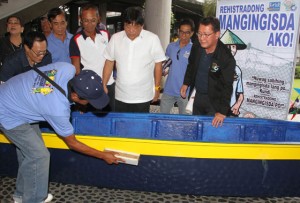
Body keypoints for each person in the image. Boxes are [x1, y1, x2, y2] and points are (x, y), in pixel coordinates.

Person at [0, 62, 123, 203]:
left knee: (29, 154)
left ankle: (21, 196)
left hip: (16, 95)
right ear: (76, 96)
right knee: (39, 156)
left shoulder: (67, 68)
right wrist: (103, 155)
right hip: (6, 112)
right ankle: (33, 199)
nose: (90, 104)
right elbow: (73, 143)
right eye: (89, 101)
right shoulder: (57, 109)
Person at [102, 7, 166, 113]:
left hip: (143, 96)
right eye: (128, 26)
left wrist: (157, 88)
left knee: (140, 127)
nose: (131, 30)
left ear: (142, 26)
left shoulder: (152, 39)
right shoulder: (115, 38)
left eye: (136, 26)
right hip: (120, 95)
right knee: (121, 126)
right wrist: (104, 83)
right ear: (124, 24)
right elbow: (109, 61)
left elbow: (158, 65)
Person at [180, 17, 236, 127]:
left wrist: (222, 112)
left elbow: (227, 86)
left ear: (216, 34)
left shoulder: (226, 58)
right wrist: (186, 83)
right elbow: (191, 65)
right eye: (199, 34)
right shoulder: (197, 46)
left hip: (215, 102)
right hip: (198, 96)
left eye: (206, 34)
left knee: (210, 132)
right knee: (196, 128)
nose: (202, 38)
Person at [70, 3, 115, 111]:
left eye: (93, 20)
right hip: (90, 88)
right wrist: (79, 92)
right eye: (86, 20)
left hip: (109, 83)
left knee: (111, 118)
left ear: (98, 19)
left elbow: (112, 58)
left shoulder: (106, 34)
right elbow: (76, 69)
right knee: (93, 121)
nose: (89, 24)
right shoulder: (76, 39)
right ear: (80, 19)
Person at [160, 18, 194, 114]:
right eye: (181, 32)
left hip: (185, 92)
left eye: (187, 32)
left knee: (185, 122)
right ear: (178, 31)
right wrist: (164, 69)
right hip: (169, 89)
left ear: (191, 33)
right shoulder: (170, 47)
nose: (184, 35)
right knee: (162, 117)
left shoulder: (194, 49)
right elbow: (167, 63)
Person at [220, 29, 247, 117]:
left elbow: (240, 94)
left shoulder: (237, 70)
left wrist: (237, 105)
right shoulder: (216, 66)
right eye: (227, 46)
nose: (231, 50)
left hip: (231, 109)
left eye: (233, 46)